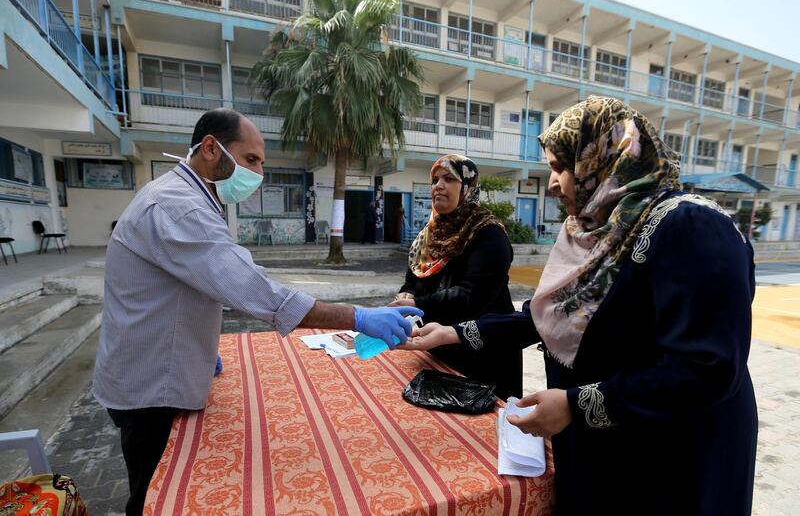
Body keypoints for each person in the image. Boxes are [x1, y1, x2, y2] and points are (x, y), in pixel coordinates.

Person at [400, 96, 758, 515]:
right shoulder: (591, 231)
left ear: (601, 157)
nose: (552, 182)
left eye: (559, 167)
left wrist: (576, 405)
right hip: (602, 440)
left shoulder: (691, 226)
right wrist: (454, 333)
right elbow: (543, 317)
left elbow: (705, 368)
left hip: (672, 454)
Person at [93, 108, 422, 516]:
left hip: (161, 364)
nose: (258, 173)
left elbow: (188, 286)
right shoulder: (178, 206)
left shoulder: (189, 195)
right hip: (150, 388)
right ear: (211, 148)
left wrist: (195, 344)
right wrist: (358, 317)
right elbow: (253, 289)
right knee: (152, 498)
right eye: (251, 160)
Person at [389, 154, 518, 398]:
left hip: (482, 352)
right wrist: (407, 294)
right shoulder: (429, 234)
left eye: (449, 179)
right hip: (436, 347)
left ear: (468, 187)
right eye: (435, 180)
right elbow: (414, 279)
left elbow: (472, 296)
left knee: (479, 430)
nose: (438, 185)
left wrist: (416, 304)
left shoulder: (488, 234)